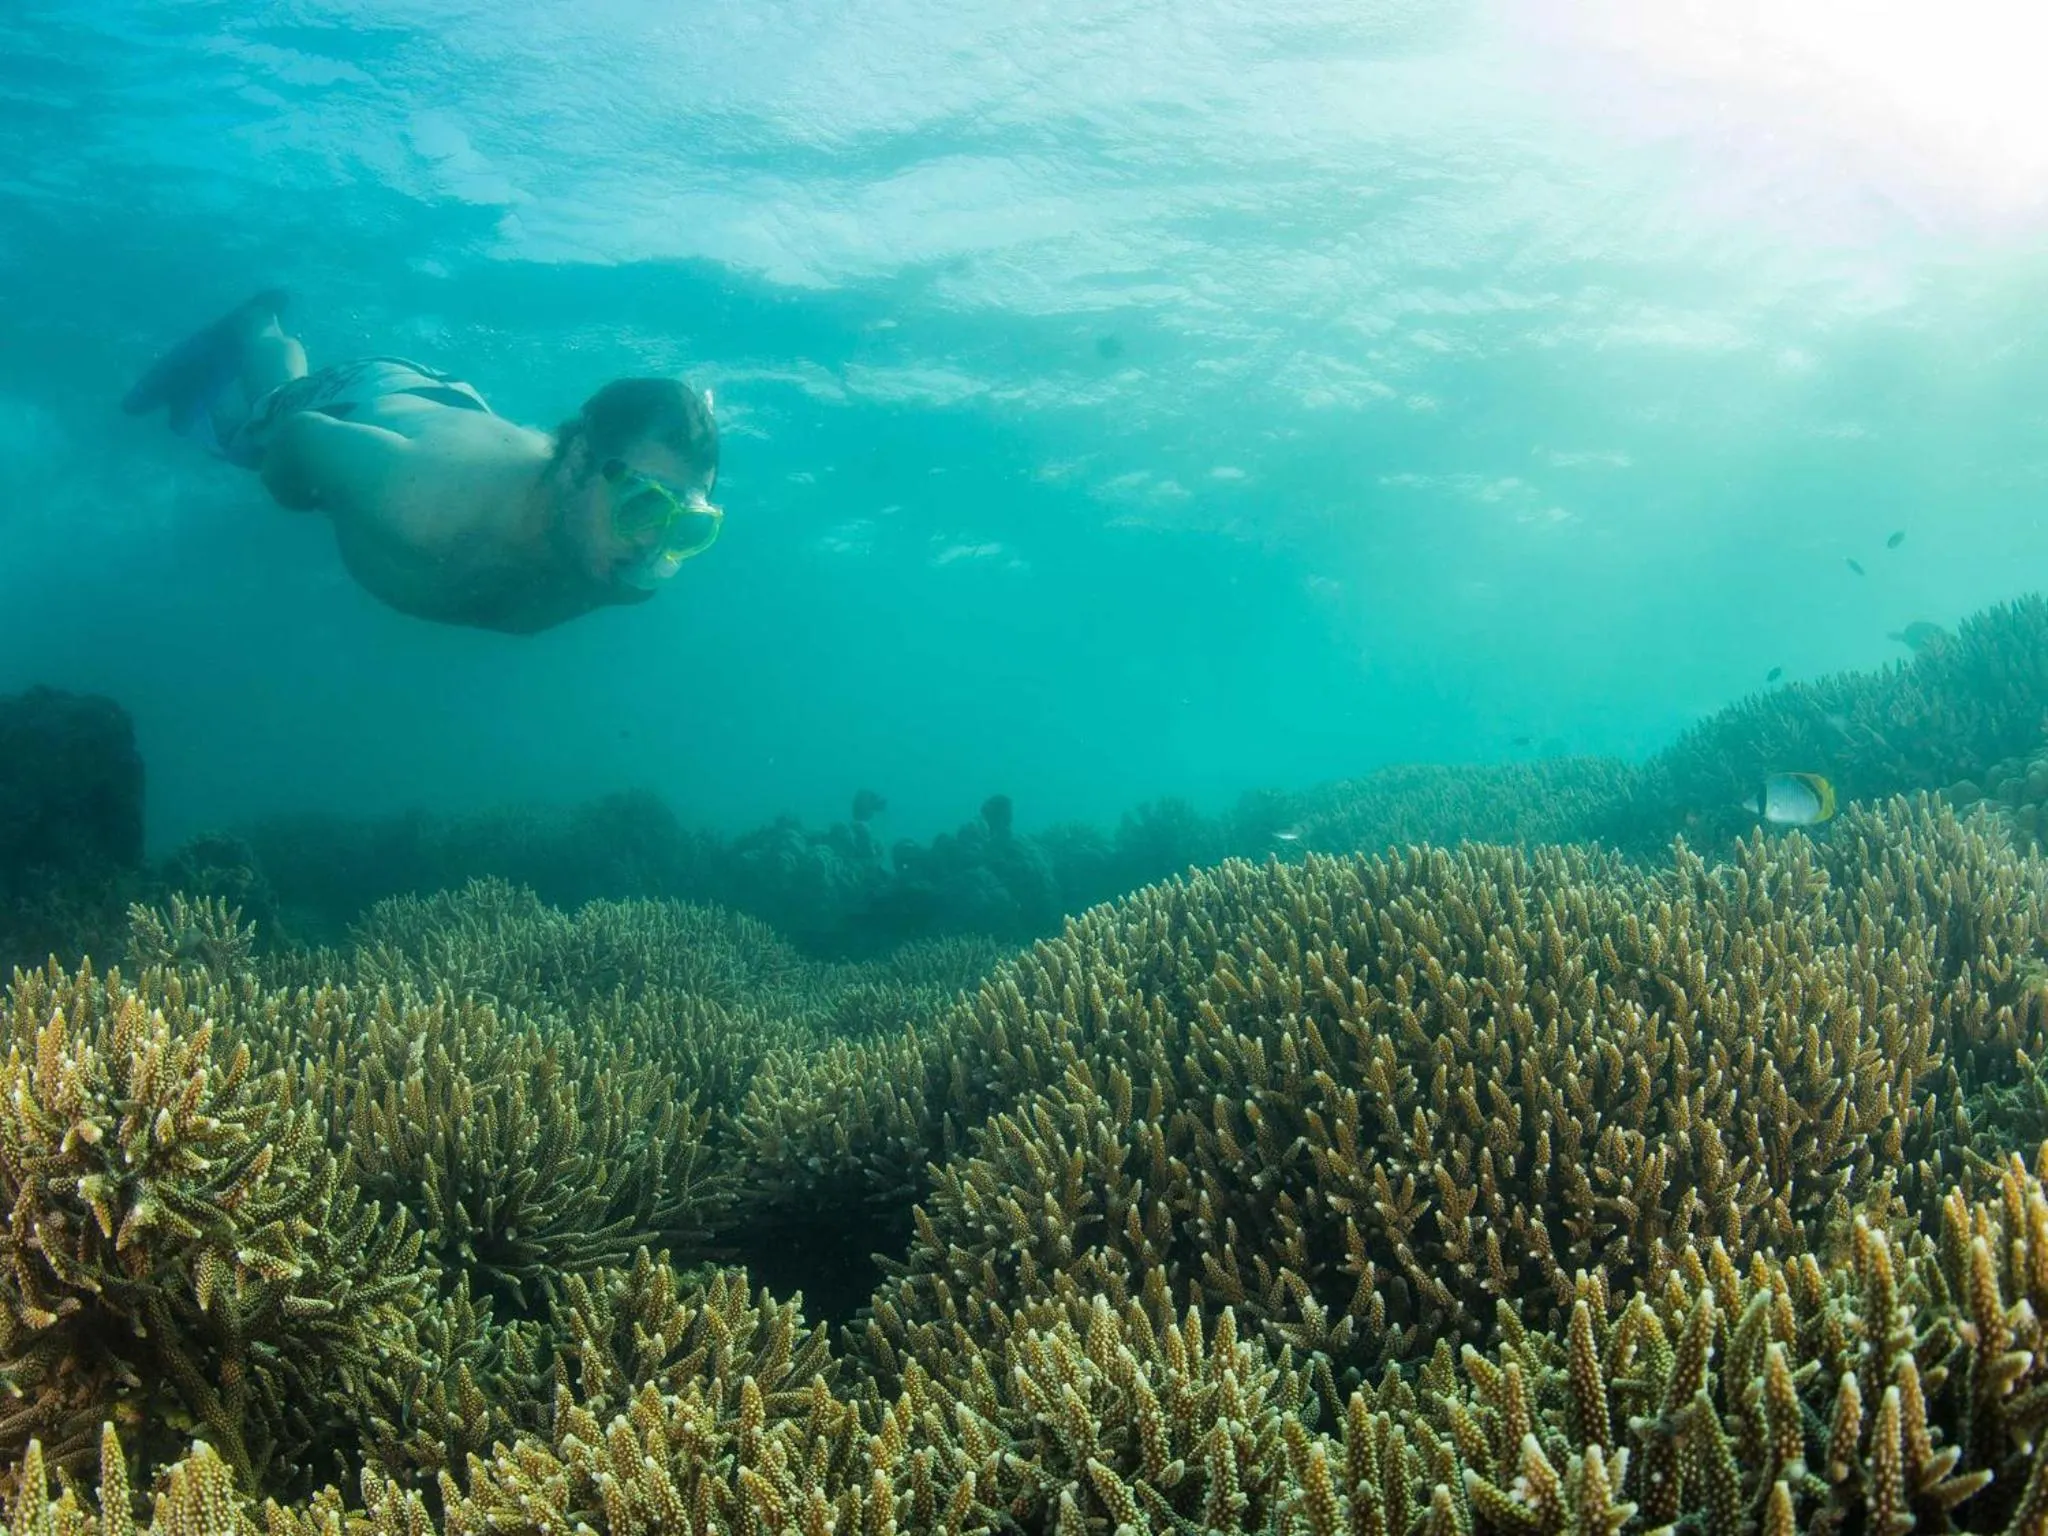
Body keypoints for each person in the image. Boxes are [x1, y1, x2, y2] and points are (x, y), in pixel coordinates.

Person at [121, 290, 723, 634]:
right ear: (575, 467)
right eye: (643, 503)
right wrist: (289, 492)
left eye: (686, 526)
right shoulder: (417, 502)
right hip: (375, 398)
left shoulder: (619, 567)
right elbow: (303, 435)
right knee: (268, 412)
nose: (654, 545)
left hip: (463, 413)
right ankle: (259, 324)